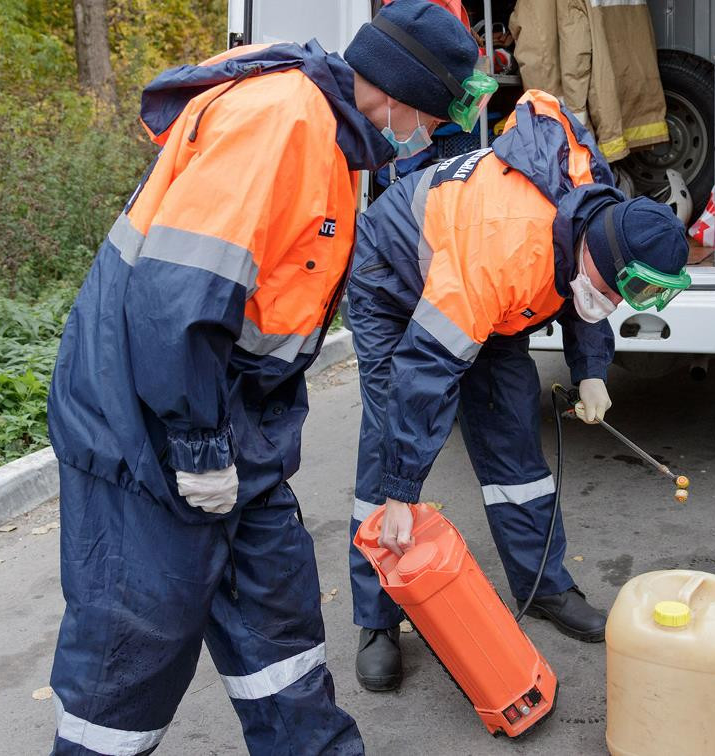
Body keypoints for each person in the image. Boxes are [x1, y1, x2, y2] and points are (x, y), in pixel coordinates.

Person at [44, 2, 480, 753]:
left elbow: (263, 300)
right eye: (430, 122)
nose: (423, 138)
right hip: (146, 421)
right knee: (132, 645)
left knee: (277, 620)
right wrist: (199, 446)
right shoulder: (286, 122)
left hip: (228, 411)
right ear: (405, 99)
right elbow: (175, 297)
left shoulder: (333, 136)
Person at [346, 90, 691, 691]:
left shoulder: (594, 213)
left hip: (490, 297)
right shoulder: (504, 251)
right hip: (394, 277)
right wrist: (402, 491)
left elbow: (588, 289)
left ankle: (543, 586)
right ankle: (377, 618)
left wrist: (591, 369)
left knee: (512, 441)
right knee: (388, 437)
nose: (614, 304)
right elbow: (424, 373)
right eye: (617, 292)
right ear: (593, 255)